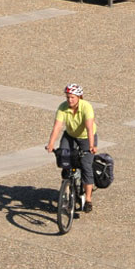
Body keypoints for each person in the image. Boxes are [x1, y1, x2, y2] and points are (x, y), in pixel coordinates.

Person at [45, 83, 97, 212]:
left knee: (86, 166)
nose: (69, 100)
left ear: (79, 97)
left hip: (86, 137)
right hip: (70, 136)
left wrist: (91, 145)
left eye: (72, 97)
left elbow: (90, 128)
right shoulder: (63, 108)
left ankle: (88, 199)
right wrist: (51, 143)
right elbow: (57, 127)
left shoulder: (86, 107)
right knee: (64, 158)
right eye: (68, 97)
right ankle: (66, 193)